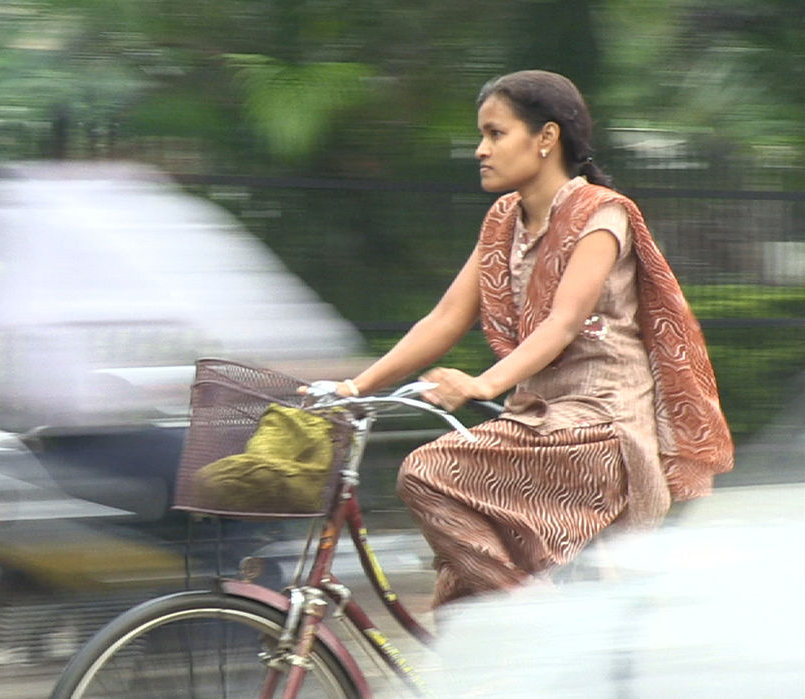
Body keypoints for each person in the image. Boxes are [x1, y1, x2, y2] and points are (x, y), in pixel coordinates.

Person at [314, 70, 733, 608]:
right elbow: (445, 319)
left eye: (495, 134)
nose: (480, 150)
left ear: (546, 138)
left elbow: (562, 323)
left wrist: (479, 384)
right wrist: (355, 386)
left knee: (427, 472)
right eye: (482, 136)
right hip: (539, 425)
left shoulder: (602, 214)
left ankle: (531, 622)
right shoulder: (503, 222)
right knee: (462, 599)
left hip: (601, 431)